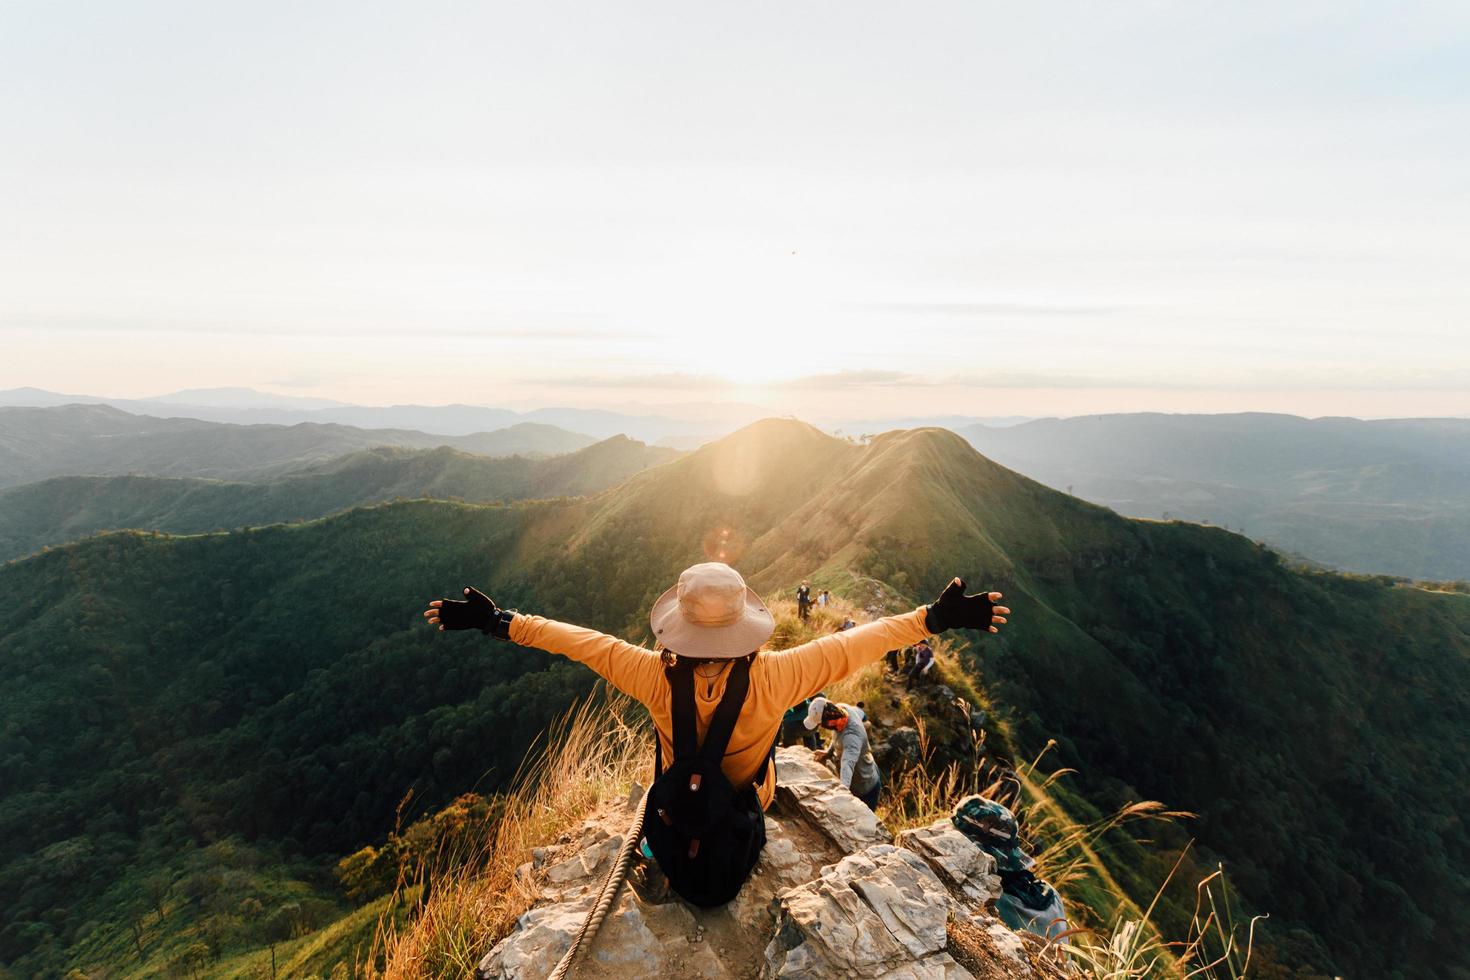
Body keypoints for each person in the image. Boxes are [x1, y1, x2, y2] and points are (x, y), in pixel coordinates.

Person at [424, 564, 1008, 907]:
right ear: (744, 627)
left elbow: (580, 641)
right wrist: (935, 617)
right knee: (756, 789)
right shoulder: (780, 676)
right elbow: (859, 642)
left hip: (678, 807)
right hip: (746, 804)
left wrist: (499, 622)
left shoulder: (651, 674)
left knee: (670, 791)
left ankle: (661, 850)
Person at [805, 697, 881, 809]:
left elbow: (847, 765)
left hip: (864, 787)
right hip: (864, 770)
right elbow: (837, 735)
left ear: (828, 721)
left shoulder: (851, 737)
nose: (821, 727)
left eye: (821, 724)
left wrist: (842, 794)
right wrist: (829, 752)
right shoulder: (840, 710)